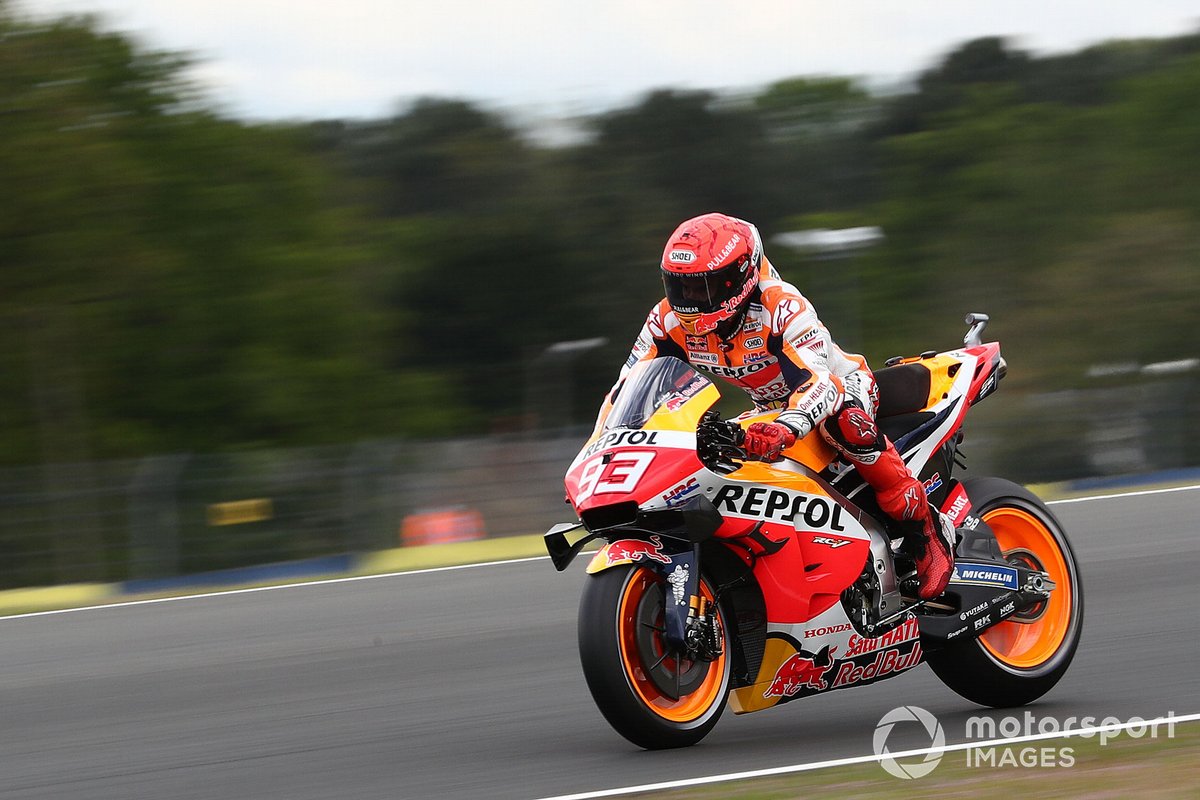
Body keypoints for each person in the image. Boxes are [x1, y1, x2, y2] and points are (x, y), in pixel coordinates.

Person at [599, 212, 954, 600]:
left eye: (704, 287)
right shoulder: (665, 321)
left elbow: (820, 382)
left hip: (840, 387)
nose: (690, 301)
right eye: (680, 287)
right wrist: (603, 451)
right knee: (713, 450)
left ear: (741, 276)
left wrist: (788, 425)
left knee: (843, 422)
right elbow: (626, 388)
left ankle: (923, 528)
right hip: (768, 406)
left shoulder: (781, 305)